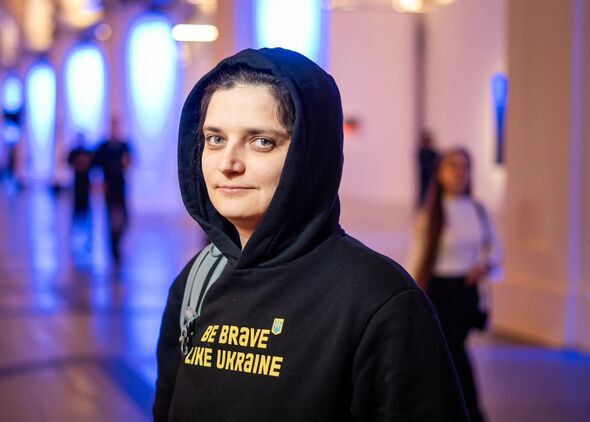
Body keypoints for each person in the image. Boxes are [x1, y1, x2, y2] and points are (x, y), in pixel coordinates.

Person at [154, 48, 468, 421]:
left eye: (261, 141)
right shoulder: (197, 282)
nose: (228, 164)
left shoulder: (380, 300)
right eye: (215, 139)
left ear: (309, 155)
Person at [406, 147, 500, 422]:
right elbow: (417, 257)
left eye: (464, 167)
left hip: (465, 292)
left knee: (452, 353)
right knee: (453, 353)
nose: (460, 173)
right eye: (453, 166)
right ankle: (469, 412)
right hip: (439, 291)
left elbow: (495, 249)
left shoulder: (478, 210)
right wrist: (410, 293)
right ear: (440, 173)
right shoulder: (430, 214)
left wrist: (483, 266)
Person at [94, 116, 132, 265]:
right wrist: (99, 183)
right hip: (109, 189)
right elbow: (95, 165)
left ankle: (116, 245)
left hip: (120, 187)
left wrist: (126, 163)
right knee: (111, 220)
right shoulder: (103, 147)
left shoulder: (124, 145)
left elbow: (130, 162)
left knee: (125, 219)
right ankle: (114, 251)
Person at [67, 133, 93, 216]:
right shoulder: (74, 152)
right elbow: (69, 162)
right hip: (77, 180)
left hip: (85, 179)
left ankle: (85, 215)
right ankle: (76, 215)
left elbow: (92, 163)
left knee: (86, 199)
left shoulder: (87, 152)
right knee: (76, 199)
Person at [418, 129, 438, 207]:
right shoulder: (422, 152)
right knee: (424, 190)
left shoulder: (431, 152)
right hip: (425, 175)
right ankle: (422, 205)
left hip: (430, 175)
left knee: (429, 190)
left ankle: (427, 205)